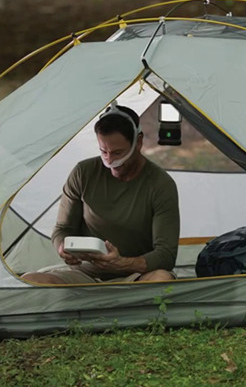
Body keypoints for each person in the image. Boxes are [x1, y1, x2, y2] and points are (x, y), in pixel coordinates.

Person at [21, 102, 180, 284]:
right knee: (29, 280)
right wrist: (63, 248)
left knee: (161, 279)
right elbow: (62, 229)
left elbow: (166, 255)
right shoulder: (83, 172)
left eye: (118, 153)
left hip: (134, 277)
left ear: (139, 142)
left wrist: (123, 264)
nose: (110, 161)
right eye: (104, 151)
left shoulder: (160, 184)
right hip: (84, 275)